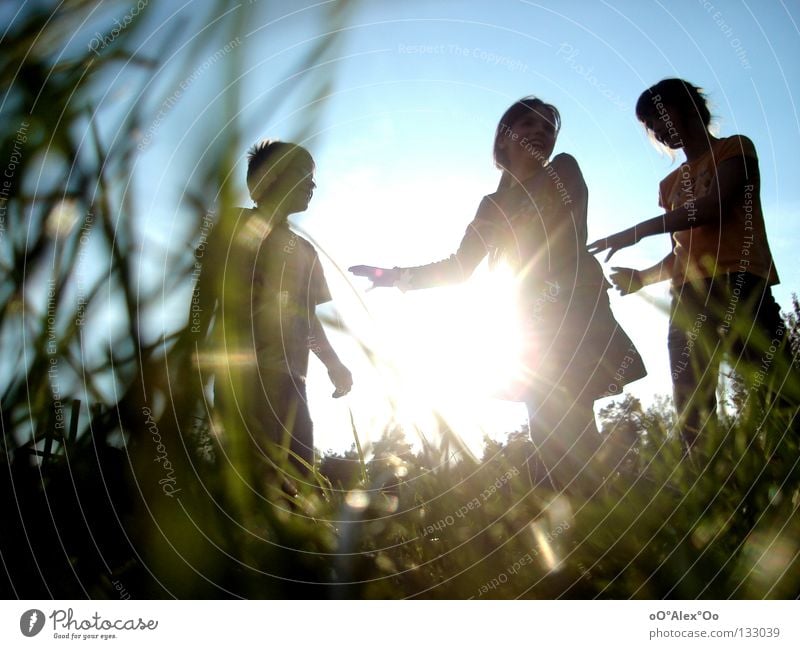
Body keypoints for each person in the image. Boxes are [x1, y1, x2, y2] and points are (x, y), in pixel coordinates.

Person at [350, 97, 645, 491]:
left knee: (569, 419)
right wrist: (398, 275)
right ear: (504, 139)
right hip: (529, 325)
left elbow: (568, 231)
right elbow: (458, 268)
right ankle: (577, 519)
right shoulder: (491, 206)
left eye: (547, 127)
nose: (541, 132)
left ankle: (590, 515)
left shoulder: (563, 170)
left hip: (574, 313)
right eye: (528, 125)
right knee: (548, 424)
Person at [588, 78, 796, 453]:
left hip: (740, 286)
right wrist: (641, 278)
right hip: (687, 299)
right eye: (649, 124)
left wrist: (638, 231)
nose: (656, 129)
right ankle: (713, 493)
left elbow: (715, 206)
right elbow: (681, 253)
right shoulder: (669, 185)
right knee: (693, 409)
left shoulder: (735, 149)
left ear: (688, 106)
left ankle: (787, 478)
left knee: (779, 392)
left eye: (658, 115)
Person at [196, 141, 352, 484]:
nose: (313, 185)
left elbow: (307, 319)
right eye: (304, 174)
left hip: (291, 381)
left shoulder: (307, 252)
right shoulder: (236, 223)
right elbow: (206, 291)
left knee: (297, 475)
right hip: (241, 375)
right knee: (246, 479)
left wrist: (332, 363)